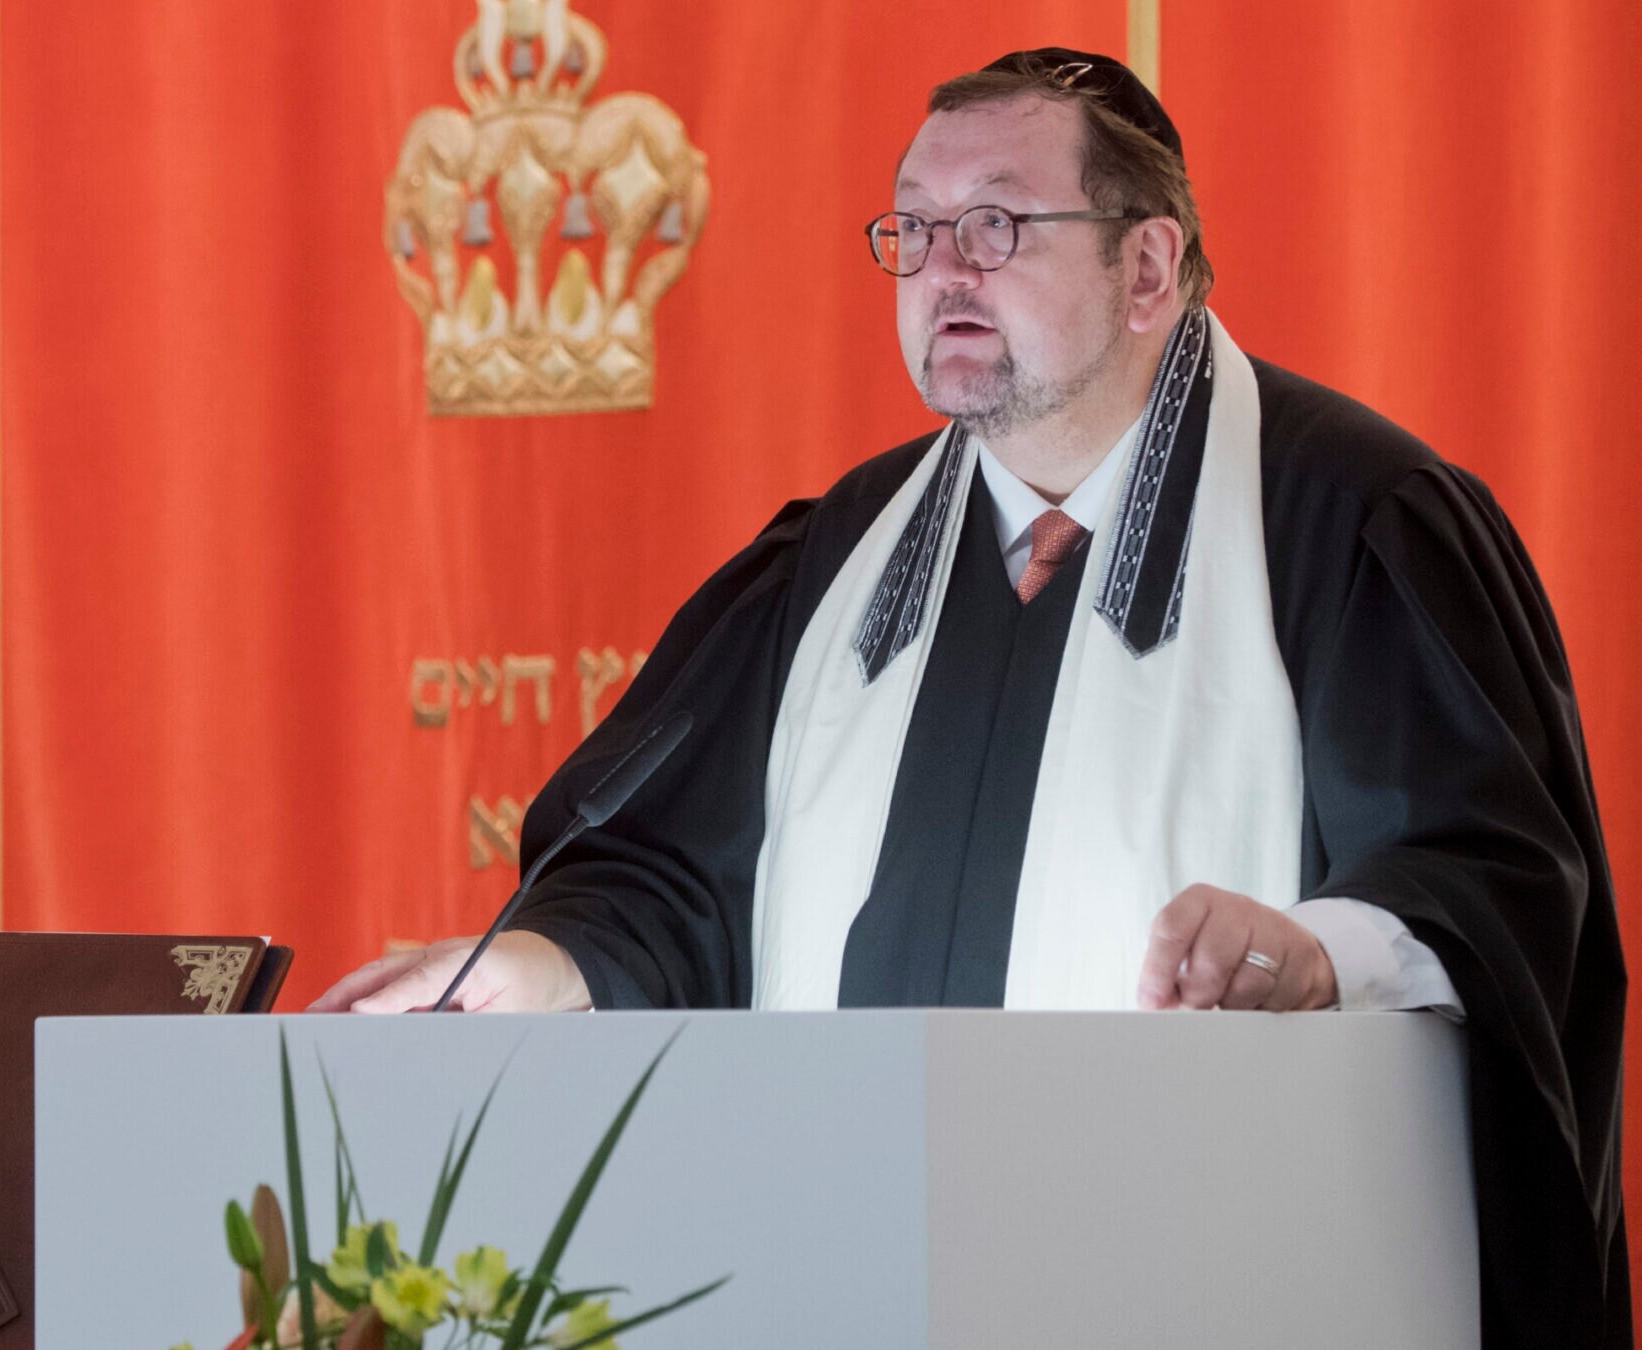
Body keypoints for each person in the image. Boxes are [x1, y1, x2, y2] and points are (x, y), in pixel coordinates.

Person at [313, 49, 1626, 1346]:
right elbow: (673, 881)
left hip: (1214, 1288)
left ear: (1148, 269)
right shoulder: (839, 557)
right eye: (915, 229)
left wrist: (1317, 953)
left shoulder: (1349, 521)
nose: (944, 266)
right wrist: (535, 971)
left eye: (997, 224)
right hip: (843, 1290)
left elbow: (1493, 878)